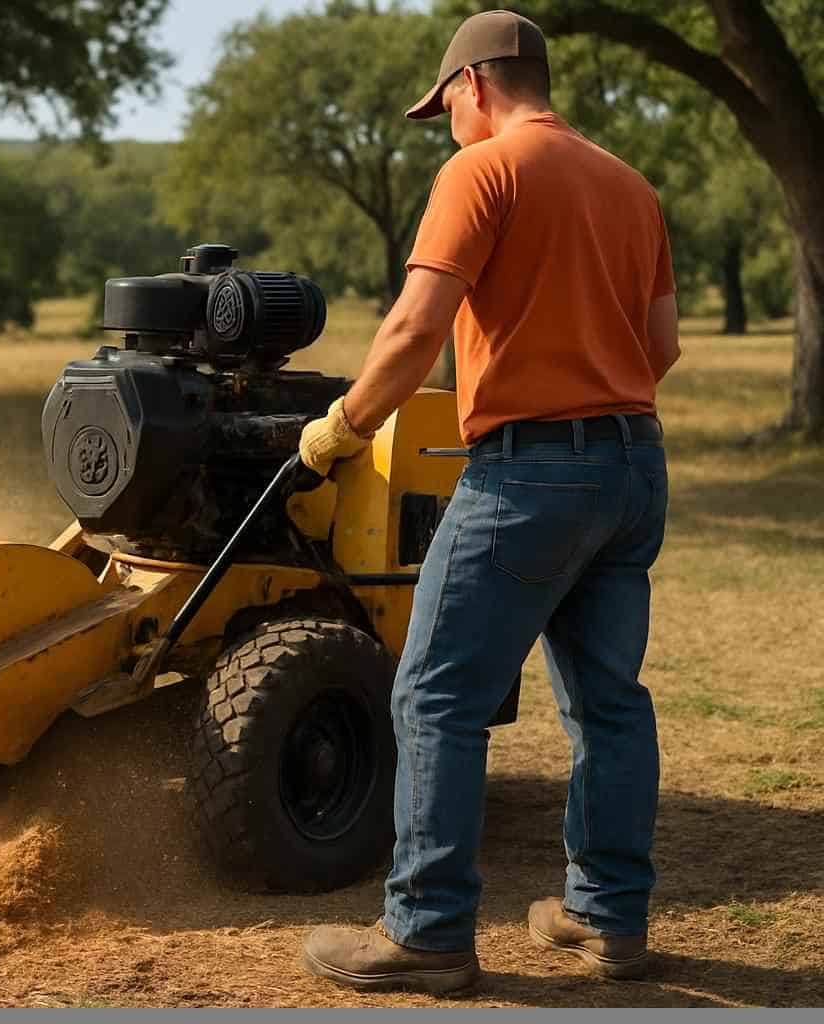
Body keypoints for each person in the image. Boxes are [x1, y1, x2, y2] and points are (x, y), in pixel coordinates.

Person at [294, 9, 681, 993]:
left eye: (446, 107)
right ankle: (607, 922)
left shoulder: (482, 170)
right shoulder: (630, 186)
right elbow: (662, 346)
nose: (448, 126)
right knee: (610, 702)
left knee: (434, 692)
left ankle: (425, 929)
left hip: (527, 470)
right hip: (633, 466)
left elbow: (418, 321)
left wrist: (341, 426)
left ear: (474, 84)